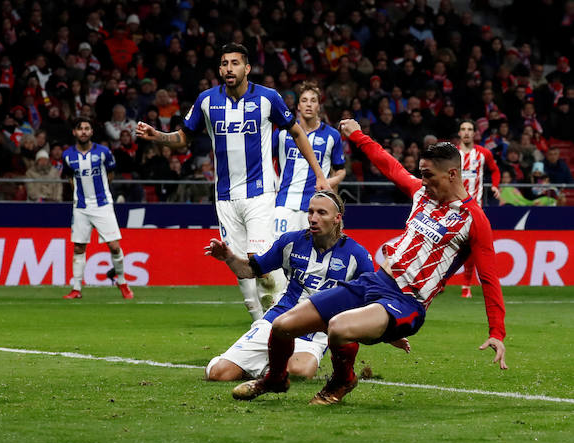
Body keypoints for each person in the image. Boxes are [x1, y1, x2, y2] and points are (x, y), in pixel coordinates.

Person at [231, 119, 507, 406]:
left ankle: (342, 381)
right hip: (374, 282)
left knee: (338, 328)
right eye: (421, 175)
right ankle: (275, 379)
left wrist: (496, 332)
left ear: (452, 174)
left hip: (406, 302)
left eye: (429, 176)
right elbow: (390, 166)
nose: (423, 181)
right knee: (282, 325)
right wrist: (359, 136)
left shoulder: (474, 220)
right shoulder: (422, 195)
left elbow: (489, 279)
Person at [136, 43, 330, 321]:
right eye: (225, 63)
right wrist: (158, 135)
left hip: (260, 195)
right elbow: (183, 138)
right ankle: (258, 326)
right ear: (219, 69)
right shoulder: (206, 100)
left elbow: (297, 133)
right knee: (238, 266)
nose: (229, 68)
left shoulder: (267, 98)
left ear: (247, 68)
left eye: (235, 63)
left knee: (259, 264)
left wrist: (319, 174)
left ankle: (280, 321)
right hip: (225, 198)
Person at [205, 191, 375, 382]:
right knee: (218, 374)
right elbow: (250, 271)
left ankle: (269, 370)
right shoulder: (291, 242)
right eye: (310, 212)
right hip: (279, 319)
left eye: (321, 213)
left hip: (316, 329)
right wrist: (229, 258)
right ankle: (261, 366)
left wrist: (392, 332)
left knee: (299, 371)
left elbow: (373, 298)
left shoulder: (357, 255)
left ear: (337, 218)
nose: (313, 218)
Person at [269, 82, 346, 307]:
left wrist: (329, 181)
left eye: (313, 100)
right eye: (304, 100)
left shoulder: (331, 136)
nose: (309, 104)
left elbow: (340, 169)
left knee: (314, 256)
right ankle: (277, 303)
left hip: (314, 207)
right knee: (278, 253)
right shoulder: (283, 134)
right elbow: (267, 161)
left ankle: (311, 305)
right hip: (284, 203)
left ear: (319, 106)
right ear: (297, 106)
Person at [61, 117, 133, 299]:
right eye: (80, 129)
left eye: (87, 128)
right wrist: (80, 195)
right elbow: (70, 178)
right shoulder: (68, 155)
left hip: (102, 205)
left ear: (91, 132)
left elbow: (110, 174)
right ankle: (76, 289)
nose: (83, 132)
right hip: (81, 207)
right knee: (79, 247)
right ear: (74, 133)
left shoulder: (104, 152)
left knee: (114, 246)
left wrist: (102, 193)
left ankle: (122, 282)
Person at [456, 119, 500, 298]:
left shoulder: (483, 154)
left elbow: (495, 170)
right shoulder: (452, 154)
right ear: (459, 133)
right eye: (463, 129)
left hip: (475, 209)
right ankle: (439, 282)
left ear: (474, 133)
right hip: (453, 207)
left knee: (472, 247)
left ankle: (466, 286)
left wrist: (495, 185)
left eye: (470, 129)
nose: (466, 132)